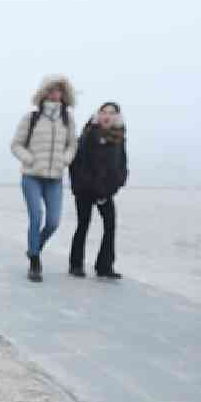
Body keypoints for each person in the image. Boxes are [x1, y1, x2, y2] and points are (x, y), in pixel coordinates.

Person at [10, 74, 78, 282]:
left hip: (55, 178)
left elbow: (73, 145)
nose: (55, 94)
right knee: (36, 216)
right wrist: (29, 159)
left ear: (64, 94)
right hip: (32, 177)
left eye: (59, 90)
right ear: (43, 93)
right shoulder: (31, 118)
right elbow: (16, 145)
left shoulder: (68, 119)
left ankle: (34, 248)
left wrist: (64, 160)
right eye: (51, 89)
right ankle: (35, 263)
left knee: (53, 221)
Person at [68, 102, 128, 279]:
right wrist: (85, 187)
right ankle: (76, 264)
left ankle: (104, 266)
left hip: (106, 191)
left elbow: (121, 164)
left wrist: (117, 183)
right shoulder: (88, 134)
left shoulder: (119, 137)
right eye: (104, 112)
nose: (107, 116)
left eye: (111, 113)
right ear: (98, 115)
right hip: (85, 189)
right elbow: (78, 163)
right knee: (83, 224)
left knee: (110, 225)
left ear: (116, 117)